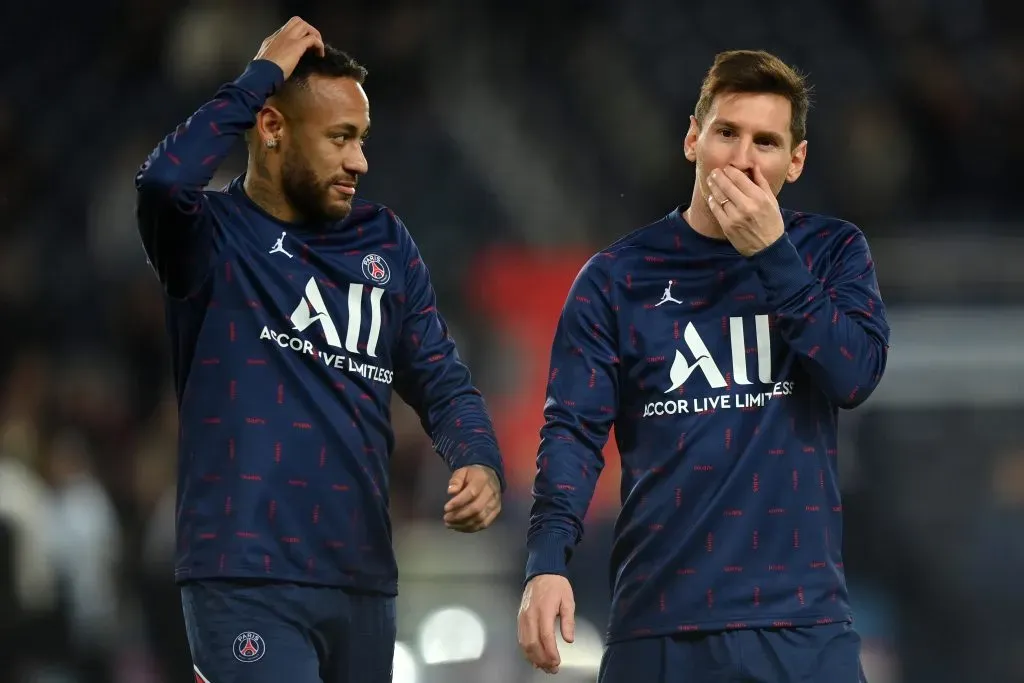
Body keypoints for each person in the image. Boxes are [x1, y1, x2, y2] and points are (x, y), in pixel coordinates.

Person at [135, 17, 505, 683]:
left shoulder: (385, 243)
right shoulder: (211, 240)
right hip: (245, 573)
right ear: (272, 128)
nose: (359, 160)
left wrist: (477, 458)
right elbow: (163, 181)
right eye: (340, 138)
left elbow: (443, 382)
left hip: (362, 578)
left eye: (361, 139)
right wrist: (259, 77)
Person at [517, 50, 890, 682]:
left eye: (767, 142)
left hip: (800, 627)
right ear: (693, 139)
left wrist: (773, 255)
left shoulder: (832, 252)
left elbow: (853, 376)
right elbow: (573, 433)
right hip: (659, 626)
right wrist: (546, 561)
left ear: (794, 162)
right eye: (727, 133)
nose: (744, 159)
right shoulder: (616, 278)